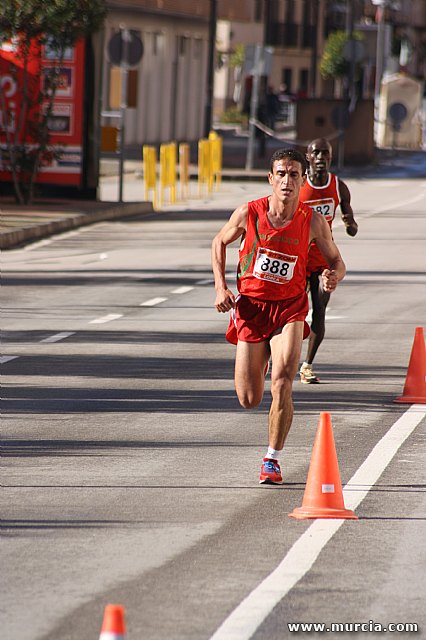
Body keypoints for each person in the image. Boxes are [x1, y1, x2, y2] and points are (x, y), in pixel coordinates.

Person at [211, 148, 346, 485]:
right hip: (252, 309)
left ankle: (272, 458)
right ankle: (264, 356)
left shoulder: (311, 221)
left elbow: (337, 260)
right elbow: (219, 241)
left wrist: (334, 276)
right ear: (271, 178)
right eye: (281, 174)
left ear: (302, 180)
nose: (287, 181)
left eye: (294, 175)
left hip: (290, 308)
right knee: (249, 399)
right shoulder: (249, 213)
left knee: (284, 381)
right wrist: (220, 287)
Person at [299, 138, 358, 384]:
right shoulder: (300, 185)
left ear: (331, 158)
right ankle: (275, 355)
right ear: (308, 157)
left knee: (319, 313)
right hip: (298, 260)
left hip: (324, 261)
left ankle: (307, 366)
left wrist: (349, 223)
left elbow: (350, 221)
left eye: (326, 153)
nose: (321, 157)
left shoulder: (338, 187)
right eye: (316, 153)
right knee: (287, 312)